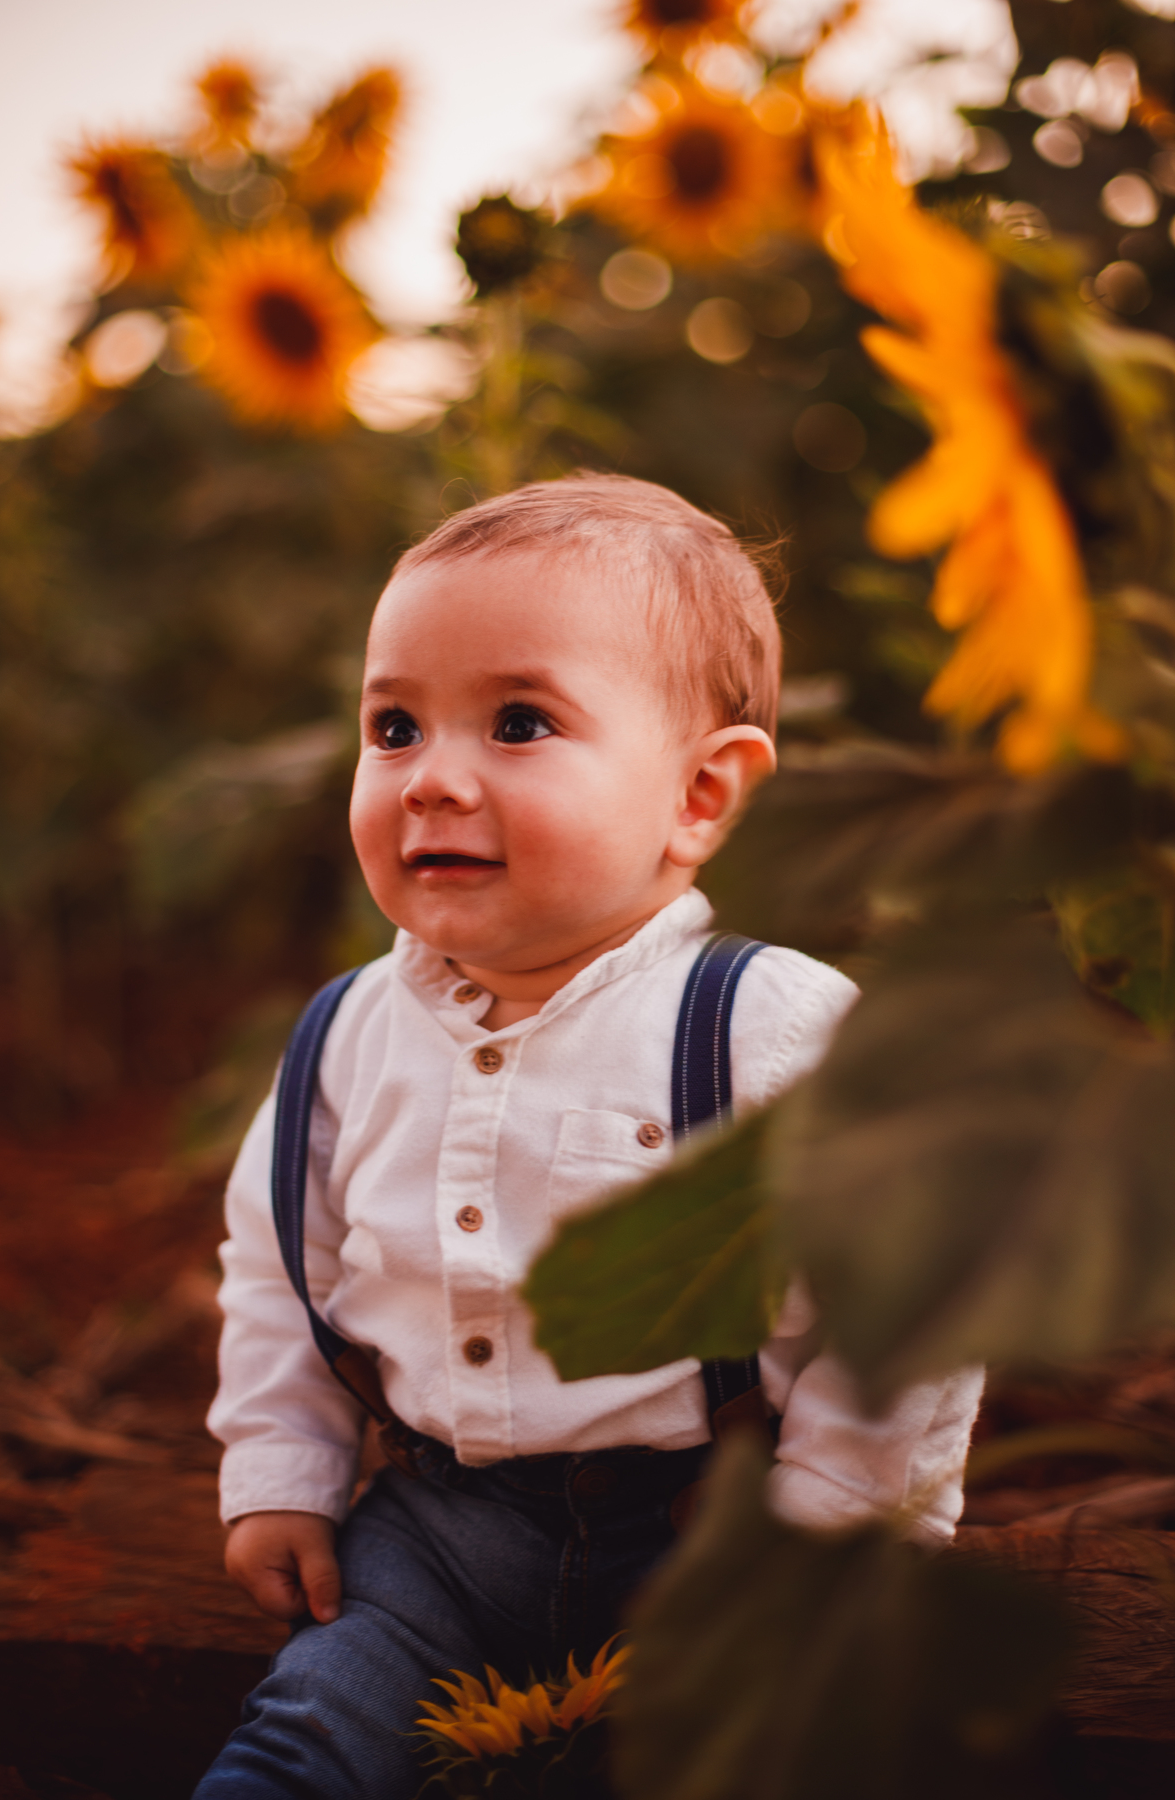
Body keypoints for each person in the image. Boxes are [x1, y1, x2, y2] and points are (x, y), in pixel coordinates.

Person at [196, 474, 983, 1799]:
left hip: (707, 1528)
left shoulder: (762, 1026)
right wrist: (282, 1464)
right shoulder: (345, 1034)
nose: (433, 779)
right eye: (393, 727)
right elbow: (281, 1259)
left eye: (517, 722)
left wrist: (840, 1522)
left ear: (699, 794)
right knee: (307, 1739)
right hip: (432, 1535)